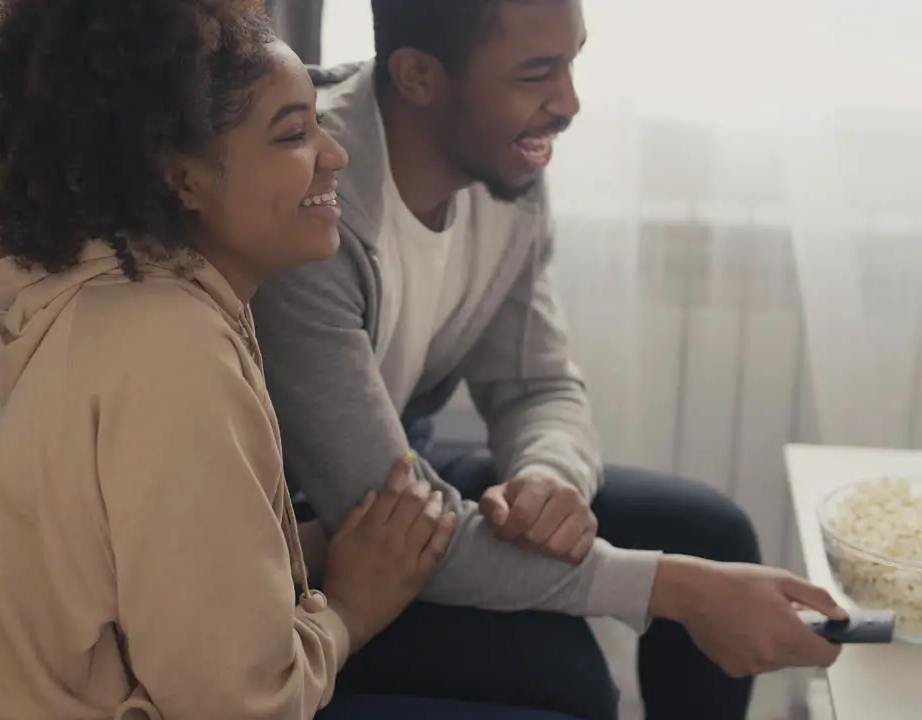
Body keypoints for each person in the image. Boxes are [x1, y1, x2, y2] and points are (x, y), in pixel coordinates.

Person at [0, 1, 579, 718]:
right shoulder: (173, 355)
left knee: (555, 669)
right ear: (184, 179)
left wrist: (327, 549)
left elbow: (173, 563)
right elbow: (237, 704)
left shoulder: (146, 309)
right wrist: (352, 608)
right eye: (293, 134)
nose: (335, 155)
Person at [251, 2, 846, 719]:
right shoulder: (308, 199)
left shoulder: (506, 170)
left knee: (711, 531)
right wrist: (680, 590)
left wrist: (548, 477)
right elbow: (386, 519)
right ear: (418, 77)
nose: (568, 103)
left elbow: (537, 383)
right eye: (537, 75)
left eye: (572, 62)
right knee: (577, 685)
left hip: (402, 473)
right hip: (317, 540)